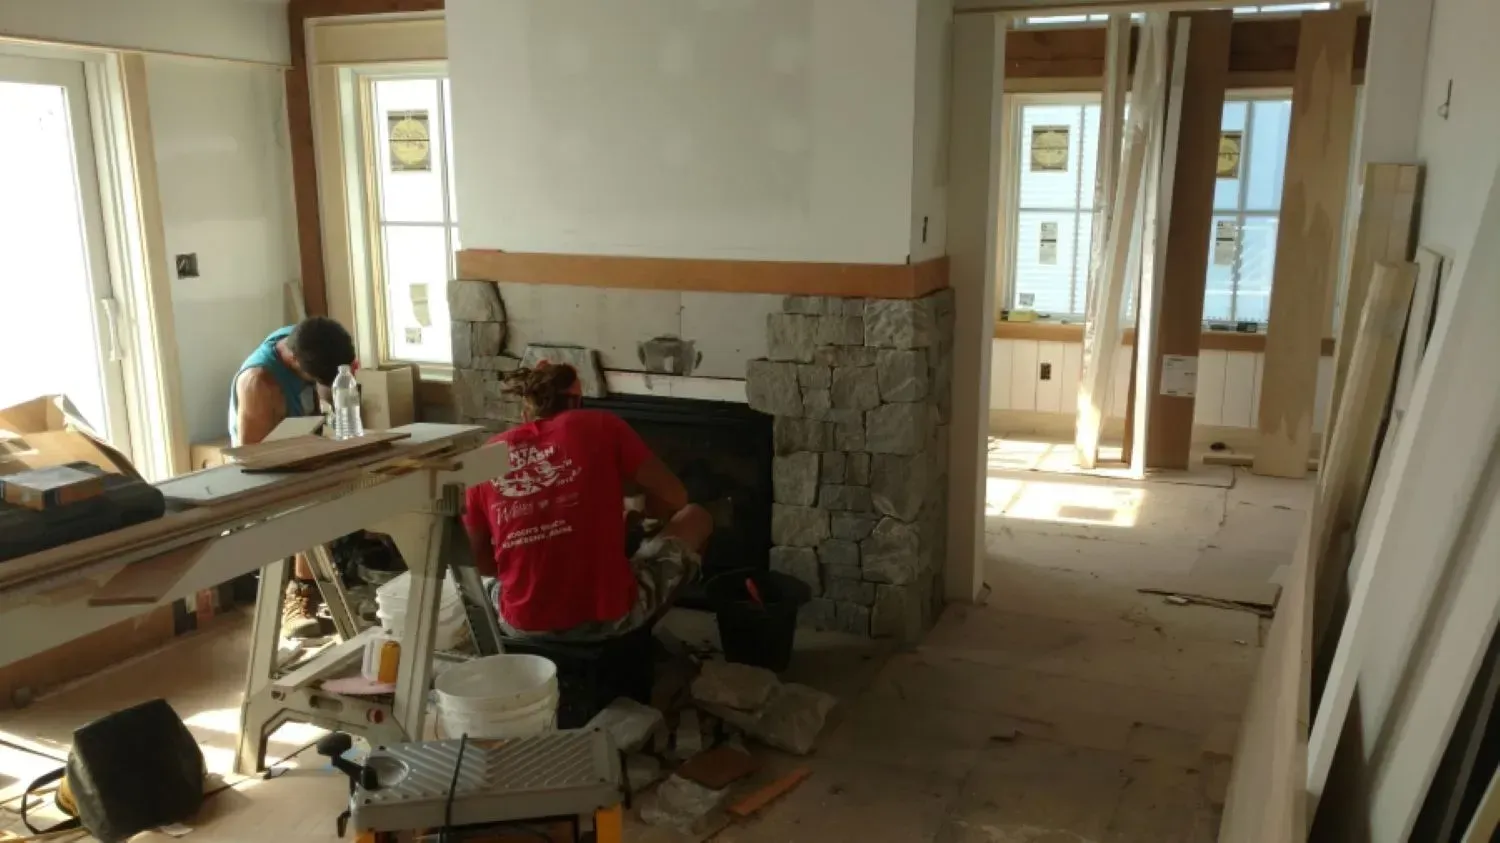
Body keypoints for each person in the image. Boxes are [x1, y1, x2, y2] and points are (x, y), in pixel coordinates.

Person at [463, 362, 713, 640]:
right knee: (696, 517)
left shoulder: (484, 456)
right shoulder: (603, 425)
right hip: (610, 620)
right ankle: (638, 638)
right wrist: (651, 513)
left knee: (489, 587)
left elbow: (476, 560)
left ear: (525, 411)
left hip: (523, 624)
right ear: (577, 402)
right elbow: (677, 496)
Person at [230, 317, 357, 638]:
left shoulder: (309, 339)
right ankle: (299, 595)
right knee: (312, 506)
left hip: (303, 444)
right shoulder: (259, 384)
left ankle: (316, 585)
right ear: (295, 361)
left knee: (343, 486)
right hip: (265, 462)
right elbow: (252, 459)